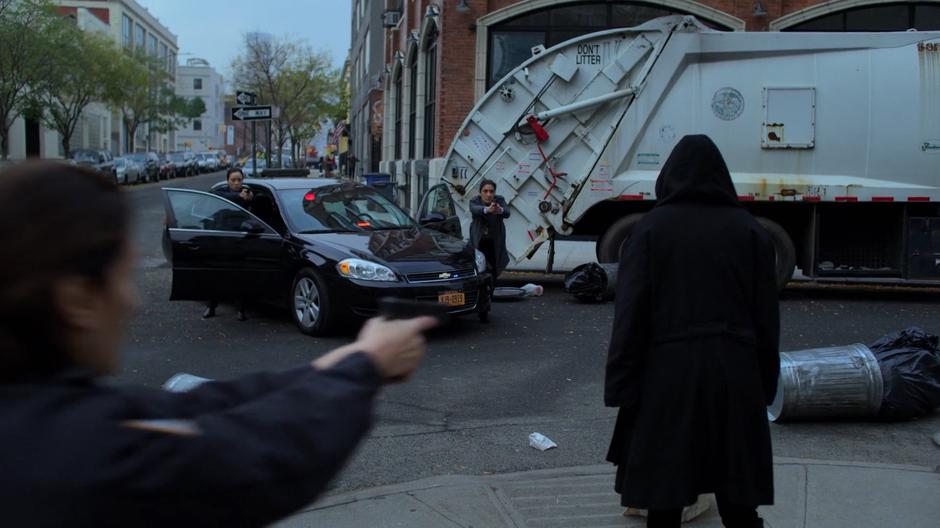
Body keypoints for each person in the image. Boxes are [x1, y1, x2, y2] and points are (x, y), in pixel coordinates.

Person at [0, 161, 437, 527]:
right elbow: (254, 457)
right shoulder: (80, 456)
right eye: (122, 278)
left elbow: (195, 408)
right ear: (75, 299)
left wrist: (340, 364)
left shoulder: (41, 408)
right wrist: (367, 367)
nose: (132, 302)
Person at [604, 135, 780, 528]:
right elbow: (767, 319)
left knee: (664, 495)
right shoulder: (749, 232)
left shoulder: (650, 231)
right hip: (736, 373)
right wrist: (765, 382)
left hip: (667, 375)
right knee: (737, 495)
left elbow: (630, 317)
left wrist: (622, 384)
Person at [203, 167, 254, 320]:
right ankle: (211, 306)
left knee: (238, 276)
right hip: (220, 239)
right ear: (228, 181)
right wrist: (238, 196)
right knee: (216, 275)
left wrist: (249, 198)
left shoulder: (247, 193)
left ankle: (240, 310)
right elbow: (216, 195)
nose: (237, 183)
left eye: (239, 180)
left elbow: (253, 204)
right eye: (233, 180)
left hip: (239, 240)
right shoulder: (222, 192)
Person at [469, 179, 511, 289]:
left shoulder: (499, 200)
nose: (488, 194)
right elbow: (474, 209)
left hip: (494, 241)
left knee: (495, 266)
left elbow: (507, 212)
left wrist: (499, 210)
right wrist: (487, 209)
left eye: (491, 191)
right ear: (480, 192)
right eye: (485, 191)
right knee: (479, 267)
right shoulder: (475, 201)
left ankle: (491, 290)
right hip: (479, 240)